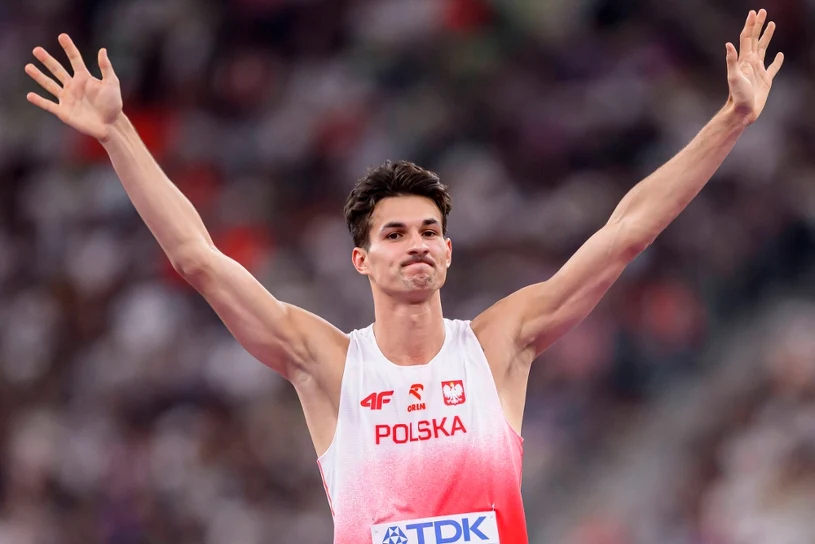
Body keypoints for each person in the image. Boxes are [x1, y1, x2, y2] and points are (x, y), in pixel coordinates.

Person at [24, 9, 783, 544]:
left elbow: (625, 234)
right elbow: (198, 259)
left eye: (429, 232)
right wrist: (118, 133)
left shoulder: (499, 345)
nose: (416, 245)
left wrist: (731, 120)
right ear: (362, 259)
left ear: (448, 253)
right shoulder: (327, 364)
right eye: (394, 234)